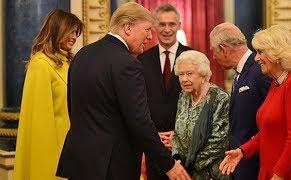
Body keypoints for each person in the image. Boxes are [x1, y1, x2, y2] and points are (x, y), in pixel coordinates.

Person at [56, 2, 191, 180]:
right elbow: (139, 121)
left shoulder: (82, 54)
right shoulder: (128, 63)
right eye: (147, 30)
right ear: (128, 27)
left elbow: (77, 110)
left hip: (80, 162)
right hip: (112, 166)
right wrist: (168, 164)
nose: (150, 36)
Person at [219, 25, 291, 180]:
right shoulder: (276, 83)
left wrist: (278, 174)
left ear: (276, 54)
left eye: (260, 52)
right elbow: (268, 131)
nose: (256, 57)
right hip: (272, 168)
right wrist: (242, 151)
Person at [13, 9, 83, 180]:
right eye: (71, 31)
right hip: (53, 154)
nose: (74, 37)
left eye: (76, 32)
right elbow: (39, 123)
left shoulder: (69, 63)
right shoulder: (40, 64)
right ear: (57, 29)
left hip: (74, 150)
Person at [137, 3, 192, 179]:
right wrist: (152, 135)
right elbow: (139, 101)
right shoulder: (142, 59)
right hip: (155, 144)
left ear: (179, 25)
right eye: (162, 24)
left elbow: (202, 102)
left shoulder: (193, 57)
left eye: (171, 24)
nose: (167, 29)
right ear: (154, 26)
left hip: (187, 145)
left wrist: (182, 133)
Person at [209, 22, 270, 180]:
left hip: (256, 165)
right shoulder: (241, 73)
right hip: (240, 163)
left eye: (214, 51)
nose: (213, 57)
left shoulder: (260, 70)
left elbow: (273, 121)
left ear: (224, 49)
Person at [172, 50, 230, 180]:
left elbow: (219, 142)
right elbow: (178, 132)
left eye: (189, 74)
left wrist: (189, 163)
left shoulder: (219, 98)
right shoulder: (183, 96)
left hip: (211, 173)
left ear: (203, 75)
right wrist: (177, 159)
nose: (184, 79)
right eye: (181, 74)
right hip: (185, 171)